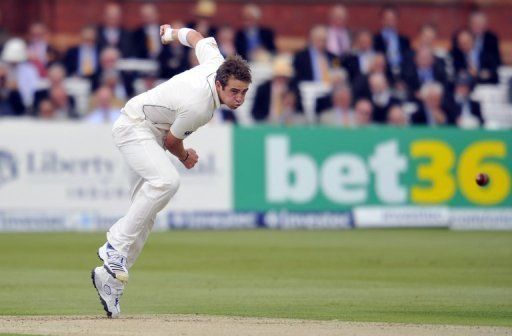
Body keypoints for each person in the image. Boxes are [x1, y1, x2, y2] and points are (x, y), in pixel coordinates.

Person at [91, 24, 252, 318]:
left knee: (147, 216)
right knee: (167, 181)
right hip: (135, 127)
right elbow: (172, 141)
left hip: (150, 132)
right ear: (219, 85)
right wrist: (186, 156)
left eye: (243, 92)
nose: (239, 98)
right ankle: (114, 245)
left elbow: (197, 39)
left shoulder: (218, 62)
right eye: (234, 92)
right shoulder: (200, 106)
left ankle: (109, 279)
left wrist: (170, 33)